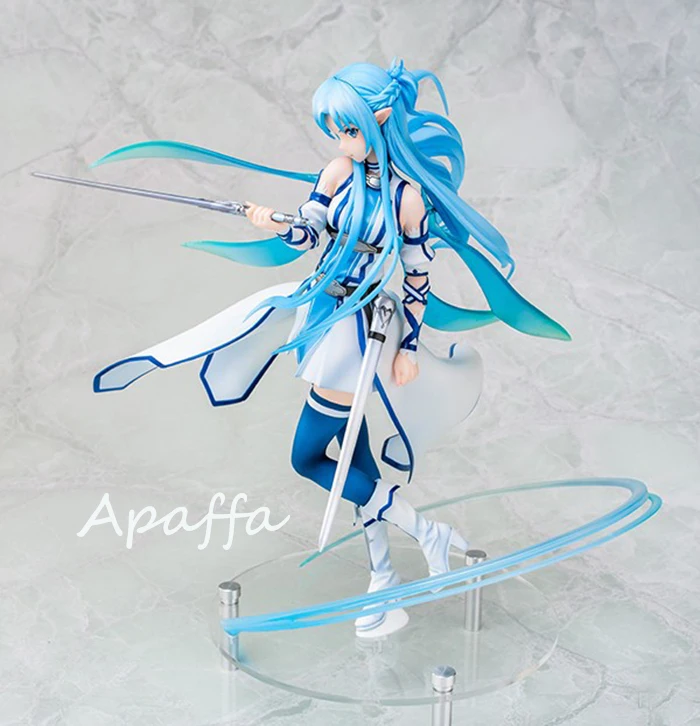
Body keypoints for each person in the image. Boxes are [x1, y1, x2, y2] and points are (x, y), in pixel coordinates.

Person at [91, 59, 570, 638]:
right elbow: (310, 233)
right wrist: (272, 222)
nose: (341, 141)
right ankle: (384, 577)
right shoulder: (339, 172)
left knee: (309, 456)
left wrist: (409, 346)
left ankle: (426, 533)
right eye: (335, 130)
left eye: (348, 129)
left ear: (380, 119)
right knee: (355, 460)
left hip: (359, 331)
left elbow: (418, 277)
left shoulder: (408, 200)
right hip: (322, 311)